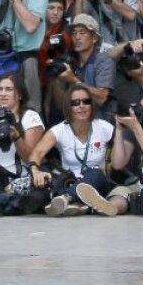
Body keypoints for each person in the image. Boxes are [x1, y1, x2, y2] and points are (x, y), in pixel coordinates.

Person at [28, 83, 116, 216]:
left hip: (98, 184)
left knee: (96, 173)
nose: (81, 106)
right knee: (50, 183)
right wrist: (35, 170)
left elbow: (120, 151)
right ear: (68, 107)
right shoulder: (59, 130)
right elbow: (37, 152)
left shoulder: (104, 127)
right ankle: (81, 206)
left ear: (91, 105)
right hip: (69, 182)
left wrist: (110, 165)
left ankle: (66, 199)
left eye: (86, 101)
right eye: (76, 103)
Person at [0, 73, 45, 188]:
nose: (3, 93)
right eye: (0, 89)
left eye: (8, 89)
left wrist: (16, 137)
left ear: (20, 94)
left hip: (22, 180)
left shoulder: (30, 117)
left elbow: (32, 160)